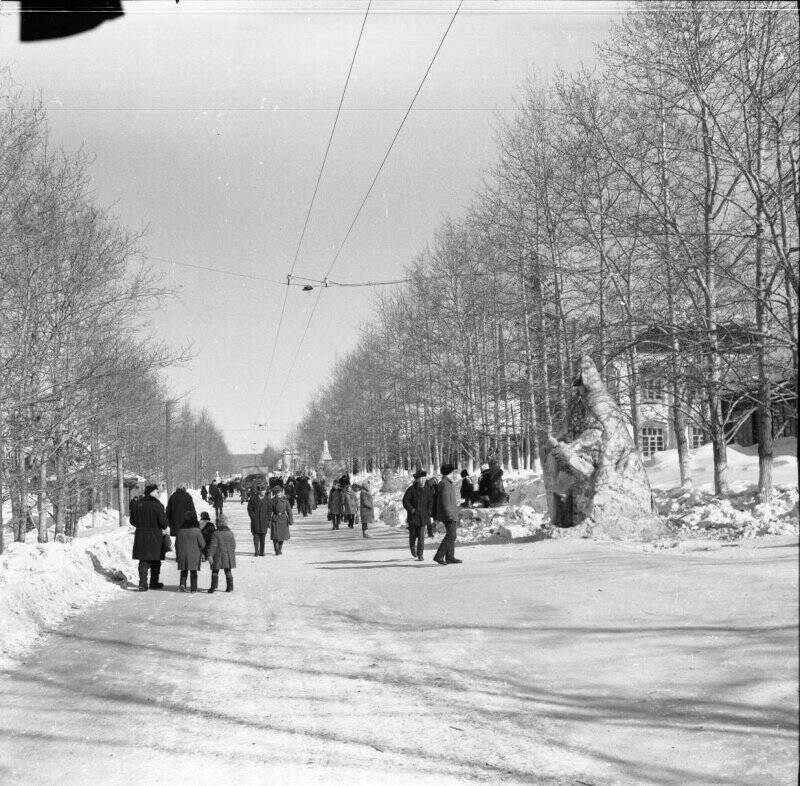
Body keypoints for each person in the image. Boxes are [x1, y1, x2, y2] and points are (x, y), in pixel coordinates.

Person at [131, 483, 169, 591]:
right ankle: (154, 582)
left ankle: (143, 583)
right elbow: (164, 523)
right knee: (155, 559)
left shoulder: (137, 504)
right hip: (155, 535)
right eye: (157, 492)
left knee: (143, 560)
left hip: (141, 535)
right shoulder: (158, 505)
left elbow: (132, 521)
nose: (159, 494)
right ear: (152, 492)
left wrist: (141, 525)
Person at [433, 463, 462, 565]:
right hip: (448, 514)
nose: (455, 474)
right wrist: (449, 514)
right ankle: (439, 556)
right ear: (449, 472)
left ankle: (450, 557)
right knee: (451, 535)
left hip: (450, 513)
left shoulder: (448, 483)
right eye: (454, 472)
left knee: (451, 535)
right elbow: (445, 501)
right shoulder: (444, 484)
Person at [402, 469, 434, 560]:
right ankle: (412, 548)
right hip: (413, 517)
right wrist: (411, 509)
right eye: (420, 478)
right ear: (416, 480)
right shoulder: (411, 489)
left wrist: (429, 510)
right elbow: (405, 501)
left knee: (421, 537)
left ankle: (420, 554)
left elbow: (431, 501)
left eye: (424, 478)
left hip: (423, 517)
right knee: (413, 535)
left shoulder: (428, 490)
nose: (422, 480)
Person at [175, 510, 206, 592]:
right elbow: (202, 544)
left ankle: (182, 584)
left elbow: (176, 544)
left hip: (182, 553)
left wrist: (178, 554)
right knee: (193, 571)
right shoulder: (197, 531)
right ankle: (193, 588)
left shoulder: (180, 530)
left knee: (184, 570)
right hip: (194, 554)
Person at [207, 513, 236, 593]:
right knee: (228, 571)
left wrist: (210, 555)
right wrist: (230, 552)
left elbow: (213, 546)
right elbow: (233, 545)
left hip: (218, 556)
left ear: (218, 523)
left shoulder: (216, 533)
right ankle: (230, 587)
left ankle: (213, 587)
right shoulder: (230, 533)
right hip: (228, 555)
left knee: (215, 571)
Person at [269, 485, 293, 555]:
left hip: (283, 519)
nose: (278, 494)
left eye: (280, 492)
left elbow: (289, 511)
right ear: (274, 493)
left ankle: (279, 549)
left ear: (282, 492)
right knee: (275, 536)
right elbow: (269, 511)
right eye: (277, 492)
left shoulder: (285, 500)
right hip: (275, 518)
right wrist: (268, 521)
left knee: (282, 536)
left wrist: (290, 520)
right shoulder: (272, 501)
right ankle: (276, 550)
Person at [247, 485, 270, 556]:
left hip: (264, 521)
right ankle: (256, 551)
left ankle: (262, 552)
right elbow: (249, 509)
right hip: (255, 521)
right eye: (262, 490)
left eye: (264, 490)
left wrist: (267, 518)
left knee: (263, 537)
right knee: (256, 537)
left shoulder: (268, 499)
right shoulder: (253, 499)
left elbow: (270, 510)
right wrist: (253, 517)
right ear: (259, 491)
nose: (263, 492)